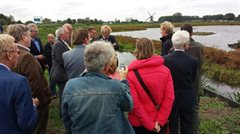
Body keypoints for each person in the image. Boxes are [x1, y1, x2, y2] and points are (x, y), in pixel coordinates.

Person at [62, 41, 134, 134]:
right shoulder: (116, 86)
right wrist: (123, 80)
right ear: (107, 65)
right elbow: (129, 106)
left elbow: (67, 119)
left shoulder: (70, 86)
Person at [7, 24, 51, 134]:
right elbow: (36, 84)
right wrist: (42, 102)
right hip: (33, 104)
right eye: (29, 35)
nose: (31, 38)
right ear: (23, 37)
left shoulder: (12, 53)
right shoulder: (26, 56)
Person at [127, 38, 174, 134]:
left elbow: (135, 105)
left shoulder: (130, 74)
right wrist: (160, 121)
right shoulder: (165, 70)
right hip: (158, 122)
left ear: (137, 51)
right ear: (152, 50)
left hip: (138, 123)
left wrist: (149, 124)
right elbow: (169, 98)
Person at [0, 34, 38, 133]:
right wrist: (32, 106)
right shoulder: (18, 81)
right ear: (9, 55)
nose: (18, 55)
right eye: (18, 52)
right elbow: (26, 123)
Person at [163, 30, 198, 134]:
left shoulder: (164, 60)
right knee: (187, 125)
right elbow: (192, 79)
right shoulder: (193, 61)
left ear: (173, 44)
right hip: (187, 97)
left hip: (171, 98)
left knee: (173, 125)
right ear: (186, 45)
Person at [181, 24, 204, 134]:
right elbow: (200, 66)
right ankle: (195, 131)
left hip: (180, 85)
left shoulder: (174, 48)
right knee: (194, 110)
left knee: (180, 110)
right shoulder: (199, 47)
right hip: (195, 84)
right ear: (192, 33)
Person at [51, 26, 71, 117]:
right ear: (62, 35)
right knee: (63, 94)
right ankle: (63, 114)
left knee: (64, 93)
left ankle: (64, 112)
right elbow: (62, 60)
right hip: (61, 74)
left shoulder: (63, 43)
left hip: (62, 73)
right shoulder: (59, 44)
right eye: (67, 33)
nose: (69, 34)